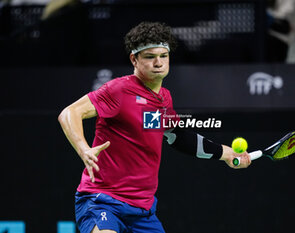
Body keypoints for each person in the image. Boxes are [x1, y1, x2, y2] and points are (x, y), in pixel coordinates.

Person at [58, 21, 251, 233]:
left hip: (143, 210)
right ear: (134, 59)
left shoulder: (164, 98)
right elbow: (70, 113)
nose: (158, 62)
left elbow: (178, 137)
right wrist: (83, 148)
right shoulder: (118, 90)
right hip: (102, 200)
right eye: (150, 57)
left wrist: (226, 153)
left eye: (163, 56)